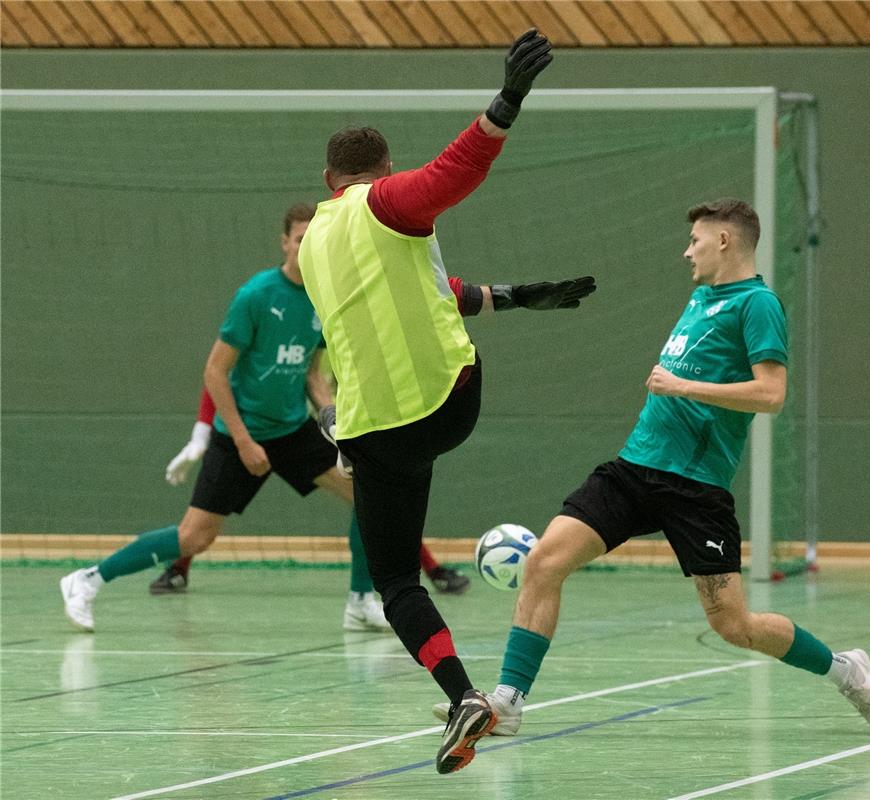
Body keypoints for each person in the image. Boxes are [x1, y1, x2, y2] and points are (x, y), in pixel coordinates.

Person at [456, 199, 870, 741]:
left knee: (734, 625)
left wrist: (683, 386)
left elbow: (772, 394)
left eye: (696, 240)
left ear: (726, 242)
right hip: (634, 468)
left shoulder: (757, 305)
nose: (688, 251)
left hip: (695, 486)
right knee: (545, 561)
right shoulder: (701, 297)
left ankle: (844, 668)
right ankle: (509, 701)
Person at [298, 29, 595, 774]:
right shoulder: (387, 200)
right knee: (397, 570)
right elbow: (452, 174)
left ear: (327, 177)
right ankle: (469, 702)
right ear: (378, 172)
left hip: (374, 430)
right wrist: (507, 99)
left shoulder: (312, 243)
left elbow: (427, 288)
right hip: (448, 400)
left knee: (397, 582)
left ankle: (460, 688)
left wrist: (509, 296)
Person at [59, 204, 394, 634]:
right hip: (241, 432)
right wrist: (242, 441)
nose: (307, 245)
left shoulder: (323, 298)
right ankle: (87, 580)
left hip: (291, 429)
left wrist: (328, 414)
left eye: (316, 238)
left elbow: (311, 371)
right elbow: (215, 372)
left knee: (366, 491)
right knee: (194, 538)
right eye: (299, 238)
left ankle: (361, 601)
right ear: (285, 242)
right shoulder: (256, 295)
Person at [157, 388, 471, 595]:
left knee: (373, 493)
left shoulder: (337, 332)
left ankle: (426, 570)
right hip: (261, 431)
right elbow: (220, 372)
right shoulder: (272, 311)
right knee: (206, 512)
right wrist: (201, 433)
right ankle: (179, 566)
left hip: (305, 434)